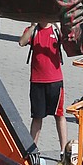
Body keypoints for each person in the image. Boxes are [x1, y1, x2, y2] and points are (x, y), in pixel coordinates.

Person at [19, 21, 67, 154]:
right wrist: (33, 26)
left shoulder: (55, 31)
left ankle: (63, 150)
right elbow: (21, 42)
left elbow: (69, 42)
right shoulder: (33, 30)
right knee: (37, 116)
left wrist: (58, 26)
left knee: (59, 115)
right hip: (37, 80)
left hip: (55, 80)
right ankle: (31, 150)